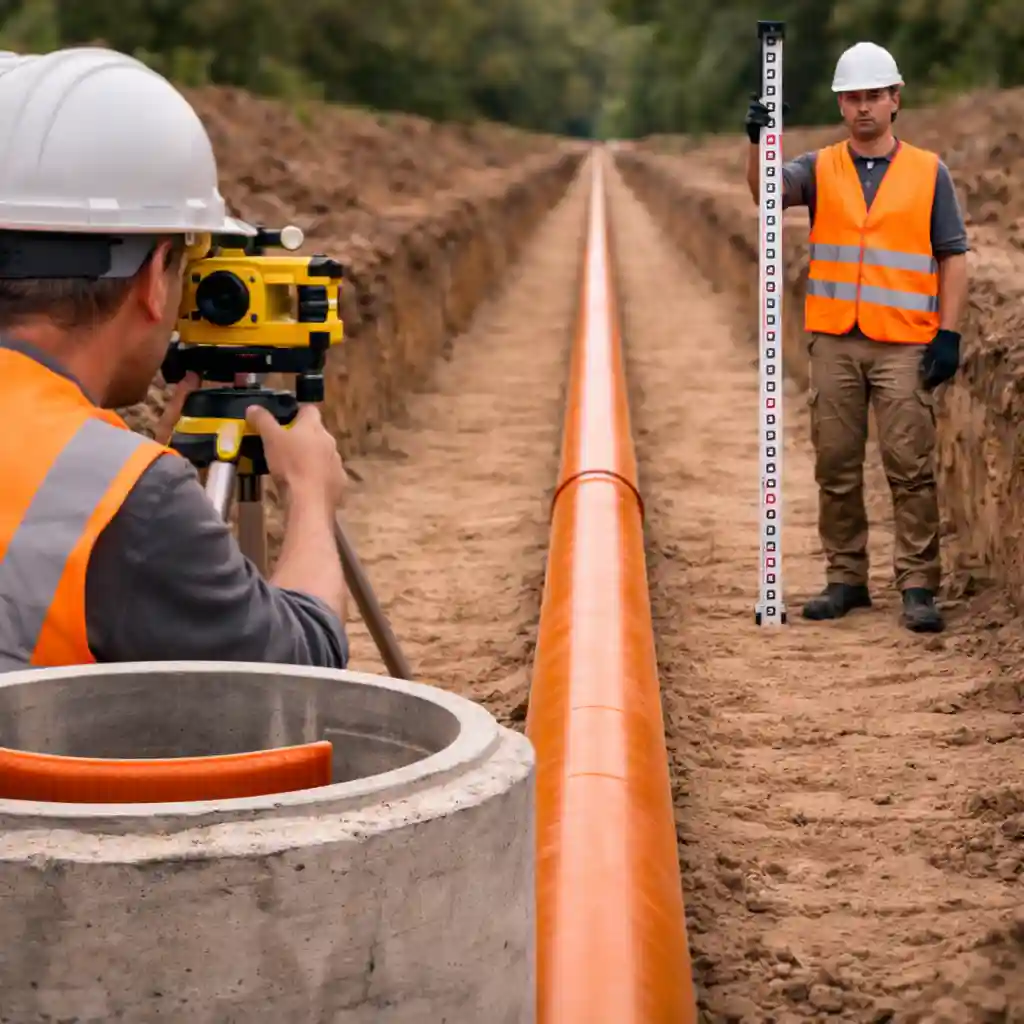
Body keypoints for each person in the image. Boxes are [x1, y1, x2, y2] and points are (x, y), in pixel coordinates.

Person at [0, 47, 350, 672]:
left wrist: (126, 467)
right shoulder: (126, 503)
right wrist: (310, 498)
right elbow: (295, 679)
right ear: (157, 276)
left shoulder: (111, 491)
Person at [743, 41, 969, 634]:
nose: (863, 107)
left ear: (895, 100)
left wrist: (949, 333)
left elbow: (953, 256)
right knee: (836, 466)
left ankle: (918, 585)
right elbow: (765, 193)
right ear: (841, 105)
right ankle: (846, 579)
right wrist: (758, 142)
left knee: (909, 467)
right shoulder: (818, 167)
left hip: (903, 344)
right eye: (852, 98)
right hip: (835, 343)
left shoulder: (929, 172)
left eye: (873, 96)